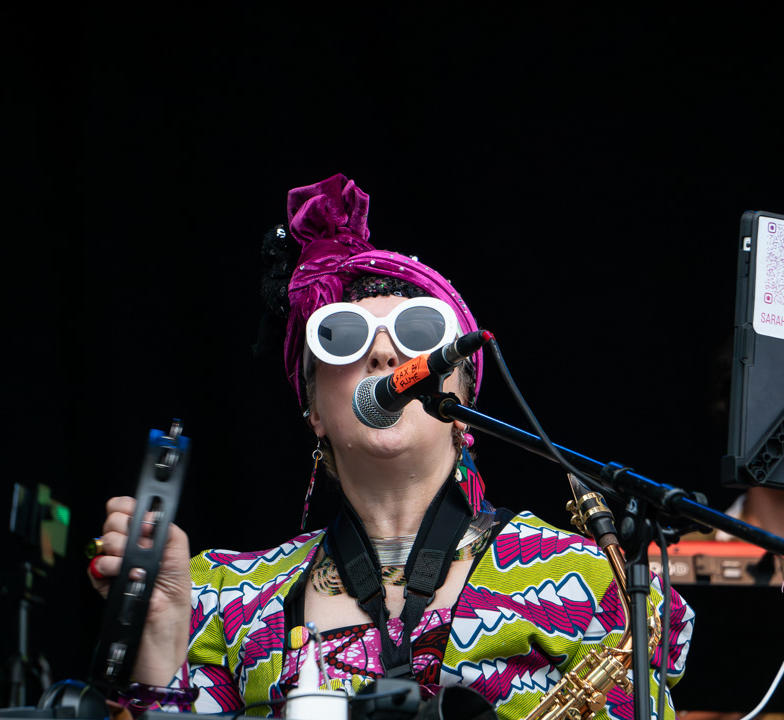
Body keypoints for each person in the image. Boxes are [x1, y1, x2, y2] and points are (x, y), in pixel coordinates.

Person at [88, 174, 694, 719]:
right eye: (343, 339)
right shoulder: (225, 597)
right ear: (314, 411)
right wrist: (161, 641)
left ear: (463, 397)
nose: (383, 353)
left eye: (418, 332)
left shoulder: (587, 581)